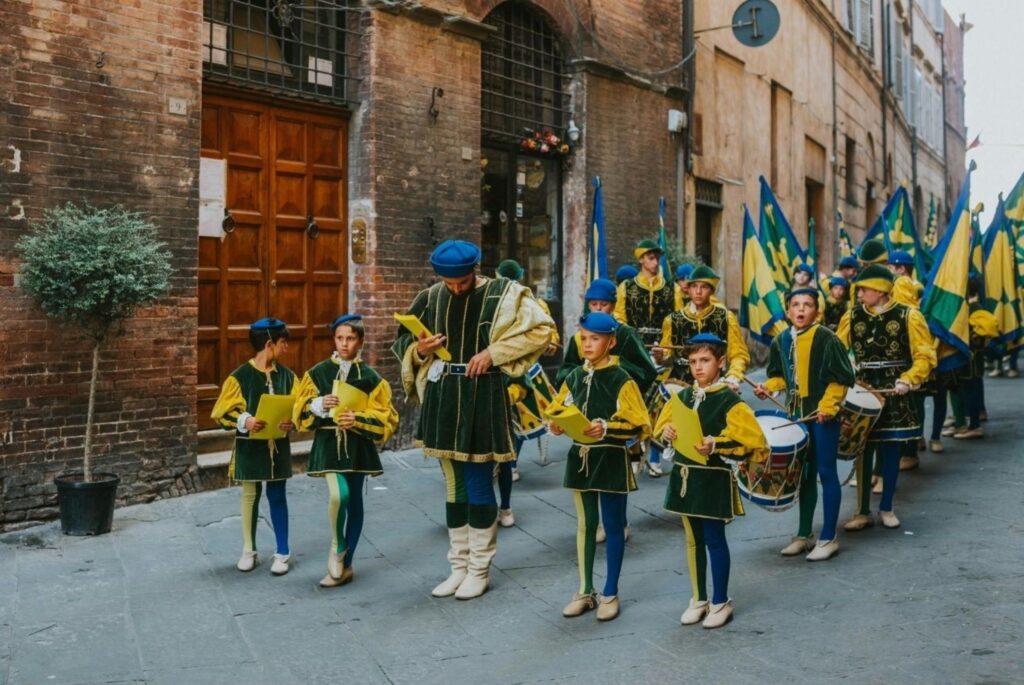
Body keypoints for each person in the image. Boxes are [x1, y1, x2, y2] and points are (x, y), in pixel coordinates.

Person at [391, 239, 554, 600]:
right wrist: (419, 349)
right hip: (443, 395)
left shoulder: (505, 293)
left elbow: (542, 330)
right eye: (449, 283)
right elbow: (401, 339)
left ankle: (479, 570)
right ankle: (458, 567)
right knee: (453, 486)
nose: (455, 289)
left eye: (461, 283)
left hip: (484, 395)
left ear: (474, 271)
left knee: (479, 482)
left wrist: (495, 353)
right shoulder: (431, 296)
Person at [653, 333, 769, 628]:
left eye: (705, 361)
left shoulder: (730, 400)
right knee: (692, 540)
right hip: (684, 477)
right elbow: (660, 428)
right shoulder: (682, 397)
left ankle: (720, 601)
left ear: (721, 362)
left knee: (714, 539)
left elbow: (754, 441)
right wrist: (667, 431)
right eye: (693, 362)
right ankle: (698, 598)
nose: (698, 367)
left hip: (713, 478)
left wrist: (715, 443)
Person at [547, 312, 651, 622]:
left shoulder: (622, 379)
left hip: (611, 459)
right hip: (580, 459)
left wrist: (606, 427)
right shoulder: (575, 376)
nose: (587, 344)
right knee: (585, 524)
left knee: (613, 523)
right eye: (584, 338)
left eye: (595, 338)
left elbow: (639, 424)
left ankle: (610, 591)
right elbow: (560, 407)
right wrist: (557, 424)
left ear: (612, 341)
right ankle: (584, 590)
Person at [293, 314, 399, 587]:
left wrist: (359, 419)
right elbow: (300, 412)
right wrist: (319, 404)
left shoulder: (371, 378)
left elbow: (387, 417)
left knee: (355, 502)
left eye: (350, 338)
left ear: (360, 341)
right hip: (329, 443)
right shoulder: (318, 373)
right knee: (339, 494)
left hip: (357, 445)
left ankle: (346, 565)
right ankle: (337, 545)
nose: (344, 343)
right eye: (340, 338)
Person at [755, 289, 855, 561]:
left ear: (817, 312)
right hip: (795, 416)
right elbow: (779, 377)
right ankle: (804, 534)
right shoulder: (781, 340)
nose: (801, 310)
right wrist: (769, 388)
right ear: (788, 311)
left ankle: (828, 537)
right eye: (795, 305)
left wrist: (828, 406)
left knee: (826, 472)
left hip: (822, 417)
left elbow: (841, 379)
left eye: (807, 305)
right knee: (804, 474)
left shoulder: (827, 338)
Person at [558, 277, 659, 542]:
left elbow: (646, 370)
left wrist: (615, 368)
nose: (598, 309)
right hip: (585, 409)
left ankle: (619, 522)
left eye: (604, 304)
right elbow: (566, 369)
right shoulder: (579, 336)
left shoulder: (624, 334)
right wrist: (577, 375)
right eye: (594, 304)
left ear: (612, 306)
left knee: (616, 467)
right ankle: (596, 522)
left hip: (615, 409)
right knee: (587, 465)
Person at [836, 266, 935, 530]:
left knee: (891, 450)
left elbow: (925, 355)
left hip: (895, 392)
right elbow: (836, 350)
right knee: (861, 449)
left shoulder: (909, 316)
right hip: (862, 391)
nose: (858, 295)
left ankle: (887, 507)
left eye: (863, 290)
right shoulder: (851, 316)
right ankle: (861, 512)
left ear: (880, 290)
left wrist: (909, 379)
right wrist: (846, 373)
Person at [211, 318, 297, 575]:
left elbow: (301, 406)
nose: (286, 349)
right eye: (283, 343)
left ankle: (282, 552)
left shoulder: (288, 376)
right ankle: (249, 549)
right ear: (269, 344)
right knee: (250, 496)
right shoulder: (240, 377)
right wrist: (245, 420)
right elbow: (221, 412)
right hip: (249, 446)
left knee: (278, 495)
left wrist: (292, 421)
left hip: (278, 445)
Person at [495, 259, 561, 527]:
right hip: (498, 369)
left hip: (526, 372)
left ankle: (511, 463)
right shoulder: (493, 303)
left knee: (523, 419)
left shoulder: (534, 303)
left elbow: (552, 336)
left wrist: (549, 345)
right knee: (508, 419)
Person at [955, 278, 999, 440]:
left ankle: (974, 425)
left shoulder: (971, 310)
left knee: (970, 391)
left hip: (970, 359)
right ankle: (975, 420)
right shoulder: (977, 307)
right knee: (974, 388)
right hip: (977, 359)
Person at [613, 239, 676, 347]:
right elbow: (619, 318)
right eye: (651, 258)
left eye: (657, 258)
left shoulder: (673, 288)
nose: (656, 262)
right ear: (641, 259)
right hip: (633, 348)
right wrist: (631, 341)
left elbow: (676, 321)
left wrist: (665, 349)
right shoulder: (626, 287)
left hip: (663, 348)